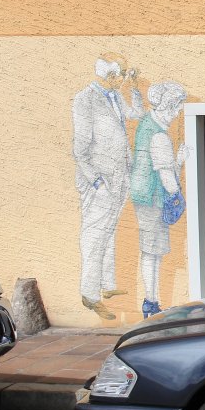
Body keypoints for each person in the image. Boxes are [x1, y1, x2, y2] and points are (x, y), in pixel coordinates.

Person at [72, 54, 143, 319]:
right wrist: (95, 181)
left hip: (120, 177)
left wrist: (134, 89)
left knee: (109, 231)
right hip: (100, 181)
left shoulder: (115, 96)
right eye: (121, 74)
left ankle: (107, 284)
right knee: (94, 235)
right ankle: (90, 295)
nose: (123, 78)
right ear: (109, 75)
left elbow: (137, 114)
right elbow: (80, 148)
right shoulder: (85, 99)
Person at [130, 81, 188, 319]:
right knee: (153, 252)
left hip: (143, 197)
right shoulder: (159, 136)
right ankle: (151, 303)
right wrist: (178, 196)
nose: (177, 114)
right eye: (176, 108)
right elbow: (166, 176)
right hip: (153, 199)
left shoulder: (145, 125)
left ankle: (151, 301)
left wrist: (177, 161)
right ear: (167, 106)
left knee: (151, 252)